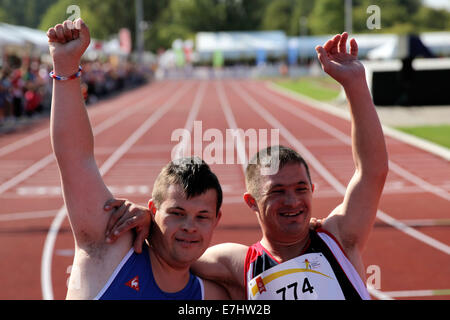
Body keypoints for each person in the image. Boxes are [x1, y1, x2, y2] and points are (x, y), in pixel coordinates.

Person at [105, 32, 389, 300]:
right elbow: (174, 253)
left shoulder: (339, 238)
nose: (292, 200)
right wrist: (152, 220)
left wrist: (355, 84)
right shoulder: (235, 264)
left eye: (300, 188)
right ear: (251, 201)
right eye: (277, 191)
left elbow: (372, 171)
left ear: (312, 190)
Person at [48, 19, 228, 300]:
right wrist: (66, 67)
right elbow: (75, 158)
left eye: (202, 217)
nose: (189, 226)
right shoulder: (110, 244)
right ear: (152, 210)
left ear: (216, 221)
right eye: (177, 213)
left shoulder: (214, 296)